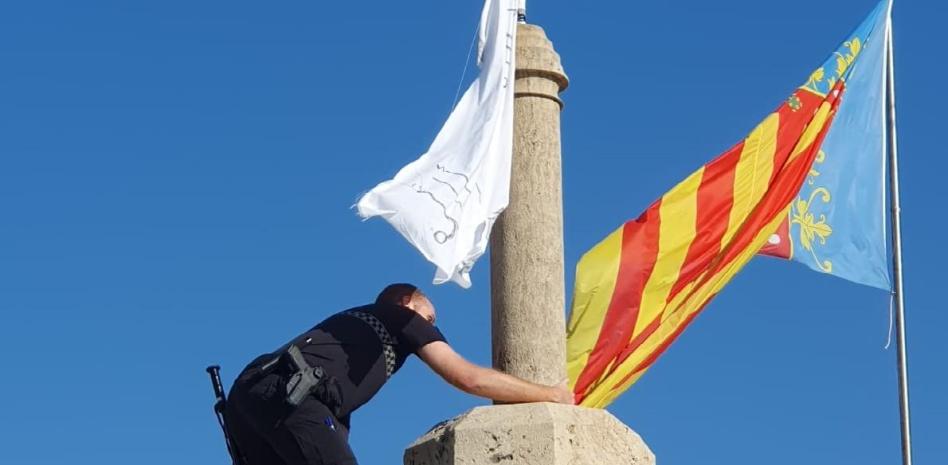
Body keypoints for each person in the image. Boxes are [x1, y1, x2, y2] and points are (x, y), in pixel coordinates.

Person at [224, 283, 574, 465]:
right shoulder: (401, 318)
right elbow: (468, 377)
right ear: (407, 301)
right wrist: (550, 394)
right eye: (430, 318)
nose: (432, 328)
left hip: (248, 399)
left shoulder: (348, 339)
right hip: (293, 397)